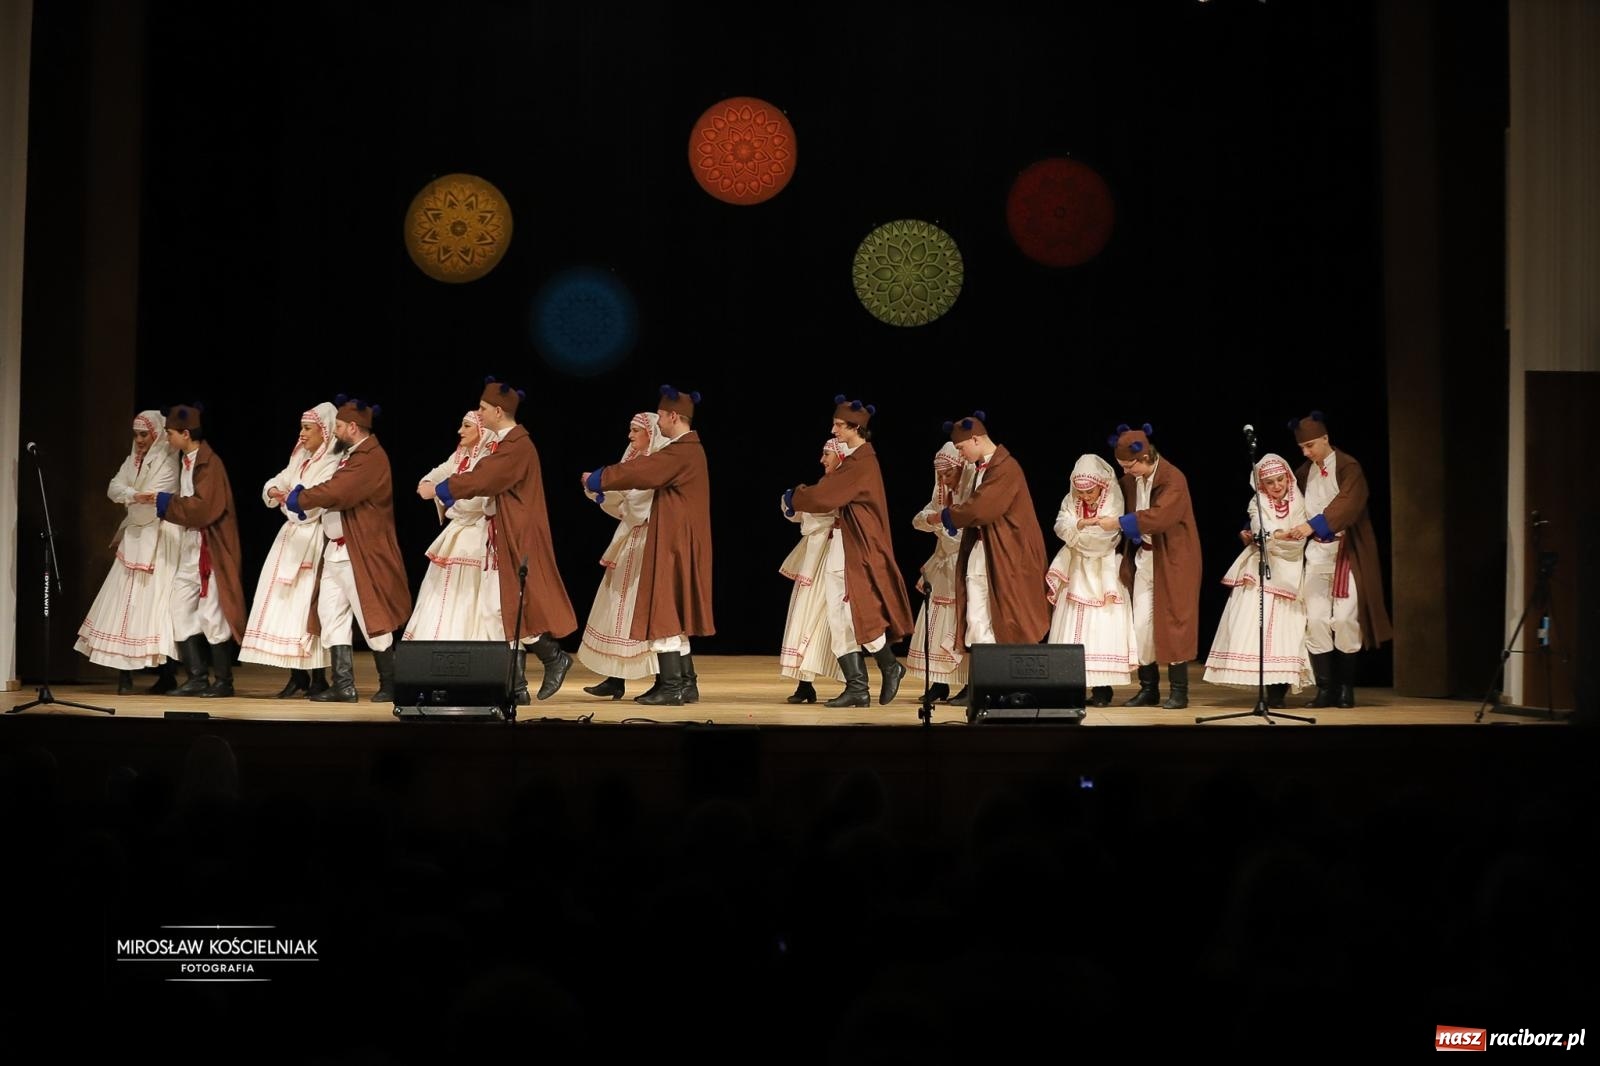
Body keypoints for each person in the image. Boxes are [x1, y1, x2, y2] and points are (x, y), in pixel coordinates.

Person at [422, 378, 578, 702]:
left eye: (481, 408)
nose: (479, 412)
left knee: (514, 604)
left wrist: (444, 488)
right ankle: (516, 687)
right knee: (500, 608)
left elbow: (485, 477)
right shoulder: (508, 444)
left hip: (518, 534)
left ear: (497, 410)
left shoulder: (517, 446)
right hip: (503, 533)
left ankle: (553, 657)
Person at [582, 385, 714, 706]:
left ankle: (671, 687)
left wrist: (599, 478)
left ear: (672, 416)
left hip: (672, 540)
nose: (660, 425)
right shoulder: (686, 449)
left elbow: (642, 471)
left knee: (665, 608)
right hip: (675, 538)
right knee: (669, 609)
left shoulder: (681, 450)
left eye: (662, 418)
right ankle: (679, 684)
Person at [786, 396, 913, 708]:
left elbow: (826, 495)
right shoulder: (855, 460)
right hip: (843, 546)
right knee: (837, 616)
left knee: (857, 615)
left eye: (840, 425)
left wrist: (797, 496)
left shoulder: (861, 463)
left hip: (857, 549)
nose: (834, 429)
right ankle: (857, 687)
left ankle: (889, 665)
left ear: (857, 428)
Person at [287, 396, 412, 703]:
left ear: (353, 428)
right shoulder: (351, 454)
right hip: (337, 552)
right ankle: (343, 685)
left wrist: (301, 498)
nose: (335, 431)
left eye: (339, 426)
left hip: (360, 551)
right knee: (330, 613)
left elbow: (339, 491)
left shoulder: (370, 457)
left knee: (372, 616)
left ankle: (391, 682)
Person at [1285, 411, 1393, 707]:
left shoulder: (1349, 467)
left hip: (1347, 553)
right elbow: (1283, 499)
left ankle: (1346, 688)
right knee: (1317, 619)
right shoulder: (1305, 472)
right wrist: (1254, 524)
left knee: (1345, 619)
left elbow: (1349, 504)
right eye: (1302, 448)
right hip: (1317, 554)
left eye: (1310, 446)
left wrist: (1313, 525)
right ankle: (1325, 689)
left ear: (1325, 439)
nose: (1307, 453)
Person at [74, 410, 183, 693]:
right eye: (136, 435)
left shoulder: (169, 462)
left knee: (157, 606)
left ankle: (167, 674)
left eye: (144, 434)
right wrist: (134, 495)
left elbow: (157, 500)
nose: (139, 440)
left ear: (156, 434)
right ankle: (124, 675)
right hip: (134, 536)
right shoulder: (131, 460)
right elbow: (114, 488)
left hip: (159, 539)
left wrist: (133, 497)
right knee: (125, 604)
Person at [1094, 423, 1201, 710]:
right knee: (1141, 624)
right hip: (1145, 558)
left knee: (1175, 622)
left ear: (1145, 458)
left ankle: (1179, 691)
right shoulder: (1130, 481)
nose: (1126, 472)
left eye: (1129, 466)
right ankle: (1148, 688)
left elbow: (1160, 517)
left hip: (1174, 560)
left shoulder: (1172, 478)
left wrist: (1118, 523)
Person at [238, 402, 341, 698]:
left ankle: (319, 676)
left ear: (324, 431)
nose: (302, 434)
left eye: (308, 428)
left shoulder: (332, 462)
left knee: (308, 608)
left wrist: (292, 501)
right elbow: (278, 481)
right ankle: (297, 676)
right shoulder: (300, 457)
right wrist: (275, 492)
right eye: (302, 428)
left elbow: (314, 502)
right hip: (290, 539)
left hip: (313, 538)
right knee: (284, 606)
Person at [147, 403, 247, 698]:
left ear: (185, 433)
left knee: (212, 614)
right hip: (191, 547)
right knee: (179, 607)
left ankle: (223, 682)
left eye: (170, 434)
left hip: (211, 549)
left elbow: (204, 509)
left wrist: (167, 504)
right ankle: (197, 677)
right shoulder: (187, 460)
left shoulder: (209, 464)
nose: (167, 439)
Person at [1202, 453, 1314, 705]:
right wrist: (1276, 536)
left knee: (1287, 630)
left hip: (1291, 570)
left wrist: (1282, 538)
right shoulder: (1258, 502)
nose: (1277, 487)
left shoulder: (1299, 501)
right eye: (1270, 483)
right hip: (1262, 569)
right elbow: (1260, 529)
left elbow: (1299, 534)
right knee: (1256, 629)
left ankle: (1279, 692)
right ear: (1262, 485)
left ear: (1287, 478)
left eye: (1280, 480)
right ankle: (1265, 689)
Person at [940, 412, 1051, 654]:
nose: (960, 454)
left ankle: (1009, 683)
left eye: (961, 448)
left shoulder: (1005, 468)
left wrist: (947, 515)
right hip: (985, 547)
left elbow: (982, 507)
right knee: (978, 610)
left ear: (976, 439)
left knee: (1008, 614)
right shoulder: (983, 468)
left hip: (1008, 551)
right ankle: (986, 682)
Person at [576, 412, 669, 699]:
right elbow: (621, 500)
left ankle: (668, 680)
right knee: (616, 606)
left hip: (649, 540)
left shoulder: (656, 466)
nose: (630, 436)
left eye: (635, 431)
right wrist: (601, 490)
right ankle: (615, 677)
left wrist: (605, 485)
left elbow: (636, 501)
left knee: (641, 610)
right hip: (630, 539)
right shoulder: (633, 463)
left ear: (650, 434)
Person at [1046, 453, 1137, 707]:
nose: (1085, 497)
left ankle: (1101, 689)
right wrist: (1083, 524)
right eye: (1080, 492)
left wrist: (1077, 530)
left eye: (1090, 492)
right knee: (1072, 624)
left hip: (1103, 570)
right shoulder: (1071, 499)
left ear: (1102, 485)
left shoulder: (1114, 499)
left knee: (1100, 627)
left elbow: (1103, 539)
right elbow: (1060, 526)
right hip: (1075, 570)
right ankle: (1071, 687)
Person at [405, 410, 501, 643]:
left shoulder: (489, 460)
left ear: (482, 430)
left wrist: (444, 498)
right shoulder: (460, 457)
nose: (460, 431)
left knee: (469, 597)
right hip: (458, 533)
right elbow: (428, 481)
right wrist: (438, 489)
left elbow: (475, 503)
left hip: (477, 537)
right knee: (443, 593)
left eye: (467, 426)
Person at [776, 438, 847, 704]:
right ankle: (805, 684)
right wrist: (795, 504)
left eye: (827, 454)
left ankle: (853, 683)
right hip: (815, 559)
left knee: (832, 619)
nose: (822, 459)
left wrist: (799, 503)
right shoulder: (826, 486)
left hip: (837, 557)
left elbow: (819, 510)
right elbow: (806, 512)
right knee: (806, 614)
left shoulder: (844, 486)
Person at [907, 442, 974, 702]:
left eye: (949, 474)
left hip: (965, 565)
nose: (944, 479)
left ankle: (970, 682)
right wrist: (935, 520)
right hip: (943, 565)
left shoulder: (970, 494)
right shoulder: (943, 493)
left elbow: (959, 534)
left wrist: (938, 523)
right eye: (941, 475)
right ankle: (938, 682)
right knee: (935, 621)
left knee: (963, 621)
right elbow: (920, 518)